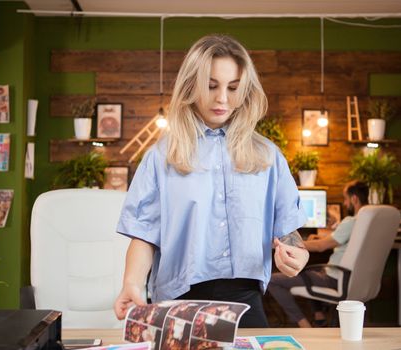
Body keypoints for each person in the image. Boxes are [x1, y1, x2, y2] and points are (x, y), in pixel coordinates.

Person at [113, 34, 309, 328]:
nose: (222, 99)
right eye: (211, 85)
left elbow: (288, 231)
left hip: (246, 302)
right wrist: (132, 283)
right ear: (191, 85)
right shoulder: (161, 156)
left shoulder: (268, 156)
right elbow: (144, 233)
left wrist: (298, 255)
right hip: (177, 304)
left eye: (233, 88)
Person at [267, 180, 369, 328]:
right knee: (312, 272)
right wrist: (317, 238)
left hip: (334, 279)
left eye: (346, 199)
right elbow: (333, 240)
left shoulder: (351, 221)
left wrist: (291, 244)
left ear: (354, 199)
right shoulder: (366, 221)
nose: (346, 204)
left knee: (273, 280)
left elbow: (321, 247)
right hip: (348, 278)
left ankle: (304, 325)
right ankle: (319, 317)